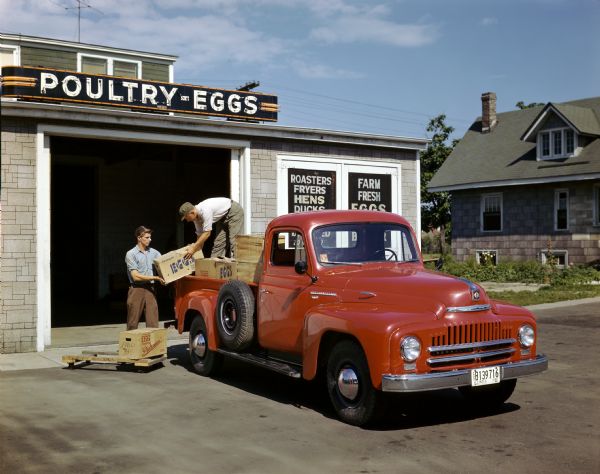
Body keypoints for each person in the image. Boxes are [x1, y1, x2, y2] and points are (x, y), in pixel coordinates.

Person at [124, 226, 164, 330]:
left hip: (151, 288)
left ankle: (153, 345)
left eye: (150, 237)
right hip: (137, 288)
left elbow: (165, 266)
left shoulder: (155, 253)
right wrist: (155, 277)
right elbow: (135, 277)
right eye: (147, 237)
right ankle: (132, 345)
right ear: (139, 238)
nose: (150, 239)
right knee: (133, 321)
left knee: (153, 321)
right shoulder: (131, 254)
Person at [179, 197, 244, 259]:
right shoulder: (196, 219)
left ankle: (238, 267)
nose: (187, 220)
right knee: (218, 243)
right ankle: (214, 267)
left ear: (192, 212)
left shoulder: (205, 210)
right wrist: (196, 249)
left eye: (186, 217)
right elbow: (200, 235)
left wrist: (194, 247)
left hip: (233, 211)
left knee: (234, 241)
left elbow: (207, 233)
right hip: (222, 217)